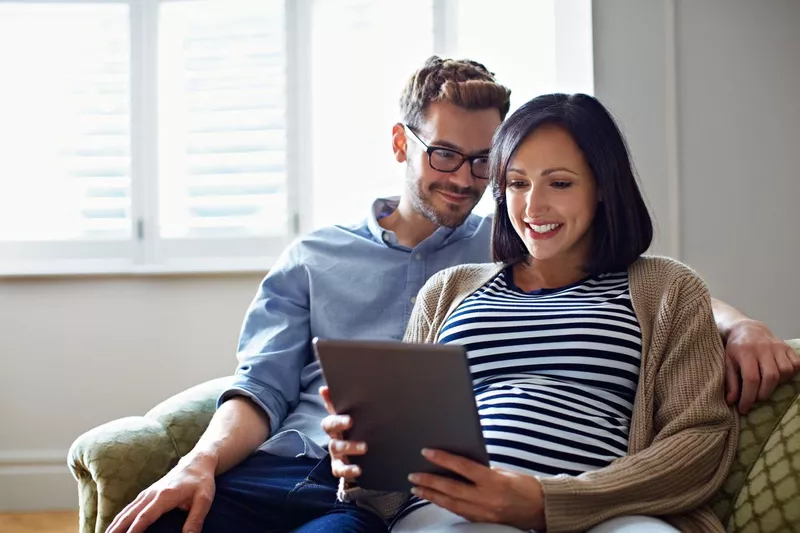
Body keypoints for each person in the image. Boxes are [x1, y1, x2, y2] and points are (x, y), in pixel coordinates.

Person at [106, 57, 797, 533]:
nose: (475, 183)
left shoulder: (604, 271)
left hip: (536, 504)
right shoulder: (430, 279)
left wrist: (739, 324)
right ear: (403, 144)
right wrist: (212, 461)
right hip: (372, 486)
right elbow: (266, 386)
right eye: (514, 181)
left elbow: (666, 313)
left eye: (486, 163)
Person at [323, 93, 742, 532]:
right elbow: (395, 481)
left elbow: (699, 439)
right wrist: (362, 460)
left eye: (559, 183)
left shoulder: (667, 289)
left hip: (612, 516)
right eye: (518, 184)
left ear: (603, 187)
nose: (532, 207)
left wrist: (549, 501)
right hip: (455, 515)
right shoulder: (448, 291)